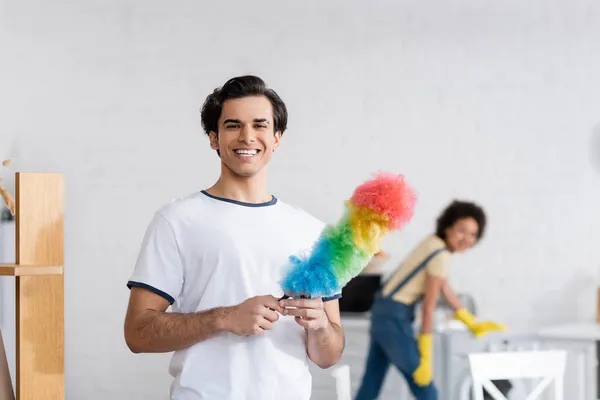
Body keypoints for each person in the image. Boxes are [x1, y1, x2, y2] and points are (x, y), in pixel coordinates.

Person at [123, 75, 345, 400]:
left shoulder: (312, 231)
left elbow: (328, 356)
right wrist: (226, 317)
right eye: (232, 125)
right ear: (214, 139)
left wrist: (320, 326)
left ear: (277, 137)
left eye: (260, 125)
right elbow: (137, 334)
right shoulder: (176, 220)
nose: (247, 136)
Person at [354, 200, 506, 400]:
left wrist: (467, 317)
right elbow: (429, 305)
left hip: (381, 311)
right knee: (425, 387)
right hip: (394, 317)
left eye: (473, 234)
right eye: (462, 230)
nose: (467, 238)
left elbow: (444, 286)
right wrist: (425, 354)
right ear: (448, 227)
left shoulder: (432, 243)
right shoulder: (441, 254)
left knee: (371, 384)